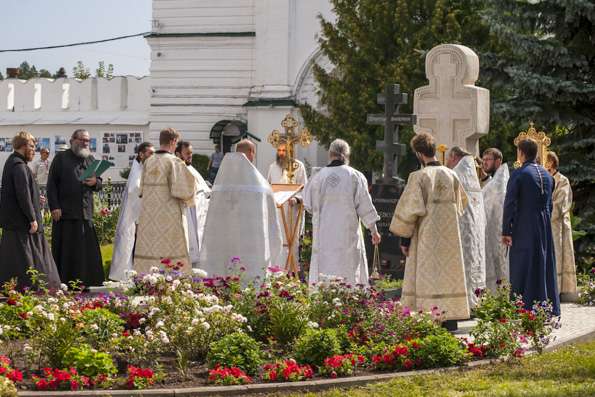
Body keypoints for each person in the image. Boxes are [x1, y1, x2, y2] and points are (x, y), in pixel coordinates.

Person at [390, 133, 469, 328]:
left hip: (426, 237)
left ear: (418, 153)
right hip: (450, 239)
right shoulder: (452, 175)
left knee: (428, 277)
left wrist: (405, 241)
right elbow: (462, 206)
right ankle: (450, 320)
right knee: (447, 276)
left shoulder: (419, 177)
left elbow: (410, 212)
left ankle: (428, 318)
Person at [200, 139, 282, 284]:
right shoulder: (258, 183)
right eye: (253, 153)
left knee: (225, 272)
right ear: (251, 152)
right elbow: (270, 219)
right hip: (250, 244)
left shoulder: (221, 183)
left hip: (225, 241)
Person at [303, 139, 380, 286]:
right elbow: (365, 206)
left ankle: (324, 301)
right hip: (347, 235)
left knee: (324, 273)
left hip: (324, 235)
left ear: (330, 154)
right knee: (348, 272)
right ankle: (348, 302)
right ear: (346, 155)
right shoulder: (355, 176)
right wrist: (373, 231)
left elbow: (308, 205)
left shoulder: (317, 177)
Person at [502, 139, 560, 316]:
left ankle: (523, 307)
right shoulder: (548, 175)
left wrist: (506, 230)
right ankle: (546, 305)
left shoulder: (519, 174)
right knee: (543, 262)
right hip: (544, 224)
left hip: (524, 224)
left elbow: (510, 204)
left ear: (521, 153)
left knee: (523, 263)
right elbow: (549, 204)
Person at [0, 131, 60, 289]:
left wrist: (35, 200)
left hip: (15, 224)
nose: (34, 150)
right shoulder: (18, 166)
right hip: (22, 225)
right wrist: (32, 218)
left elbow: (24, 193)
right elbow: (22, 194)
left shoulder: (13, 163)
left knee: (15, 260)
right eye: (32, 146)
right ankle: (31, 289)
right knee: (25, 260)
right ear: (23, 146)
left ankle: (15, 288)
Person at [134, 128, 196, 274]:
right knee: (172, 251)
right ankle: (173, 281)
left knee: (151, 249)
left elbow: (141, 190)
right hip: (169, 216)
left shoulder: (148, 161)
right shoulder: (174, 162)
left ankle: (148, 280)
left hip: (149, 216)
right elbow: (185, 190)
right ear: (173, 141)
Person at [47, 129, 104, 288]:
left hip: (85, 214)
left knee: (84, 252)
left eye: (88, 141)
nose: (85, 143)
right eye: (82, 140)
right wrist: (55, 206)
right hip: (65, 214)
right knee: (67, 251)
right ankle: (64, 283)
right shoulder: (61, 158)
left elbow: (99, 183)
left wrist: (95, 182)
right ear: (72, 140)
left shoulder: (90, 159)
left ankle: (85, 282)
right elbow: (51, 185)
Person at [447, 146, 486, 309]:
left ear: (455, 157)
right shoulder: (471, 175)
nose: (447, 162)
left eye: (449, 158)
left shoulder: (456, 174)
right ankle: (474, 302)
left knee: (464, 266)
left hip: (461, 230)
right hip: (475, 232)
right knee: (473, 264)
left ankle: (462, 304)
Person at [109, 142, 154, 281]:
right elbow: (135, 189)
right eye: (150, 153)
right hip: (135, 215)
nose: (152, 156)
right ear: (141, 154)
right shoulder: (137, 170)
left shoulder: (143, 168)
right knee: (131, 245)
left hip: (139, 214)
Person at [267, 142, 308, 272]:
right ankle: (276, 272)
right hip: (277, 212)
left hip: (292, 212)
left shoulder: (298, 166)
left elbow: (304, 189)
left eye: (284, 150)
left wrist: (296, 199)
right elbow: (268, 188)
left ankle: (291, 272)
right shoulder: (273, 167)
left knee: (292, 244)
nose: (281, 153)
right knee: (276, 242)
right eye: (279, 150)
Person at [545, 151, 578, 302]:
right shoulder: (544, 178)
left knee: (557, 253)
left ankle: (557, 290)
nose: (546, 163)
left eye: (548, 160)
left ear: (553, 162)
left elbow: (561, 202)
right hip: (545, 221)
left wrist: (545, 212)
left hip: (557, 224)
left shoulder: (562, 180)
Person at [175, 141, 211, 267]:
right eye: (187, 153)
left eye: (191, 153)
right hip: (189, 212)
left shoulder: (190, 167)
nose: (190, 156)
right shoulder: (178, 169)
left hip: (199, 211)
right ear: (178, 153)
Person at [482, 151, 510, 292]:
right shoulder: (494, 181)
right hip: (491, 230)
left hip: (499, 232)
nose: (484, 162)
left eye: (488, 159)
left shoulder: (500, 182)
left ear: (498, 161)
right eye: (484, 159)